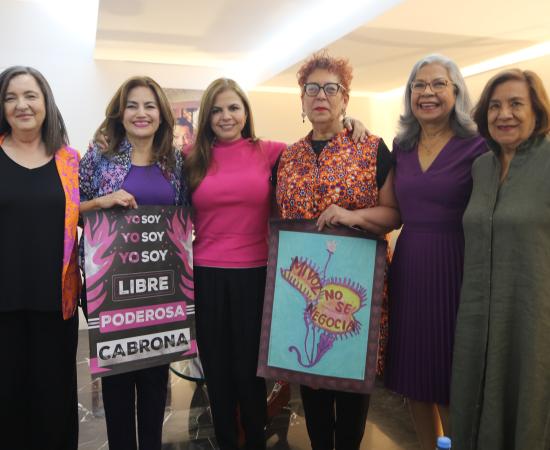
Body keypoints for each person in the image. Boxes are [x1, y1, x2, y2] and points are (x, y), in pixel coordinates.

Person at [185, 77, 368, 450]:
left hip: (257, 275)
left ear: (245, 112)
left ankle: (255, 441)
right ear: (206, 116)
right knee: (216, 373)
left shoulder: (272, 152)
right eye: (217, 110)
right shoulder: (191, 158)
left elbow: (318, 149)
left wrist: (349, 124)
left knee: (251, 374)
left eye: (233, 108)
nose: (225, 116)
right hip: (207, 275)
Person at [274, 52, 400, 450]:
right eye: (311, 88)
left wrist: (351, 216)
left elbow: (393, 214)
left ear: (345, 98)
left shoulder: (372, 149)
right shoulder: (287, 158)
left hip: (354, 293)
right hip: (303, 291)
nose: (320, 96)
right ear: (302, 99)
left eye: (331, 88)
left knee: (350, 400)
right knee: (312, 391)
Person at [383, 54, 486, 450]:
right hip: (410, 265)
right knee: (414, 376)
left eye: (438, 84)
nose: (427, 92)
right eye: (419, 85)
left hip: (456, 266)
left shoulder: (478, 145)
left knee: (450, 377)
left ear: (456, 92)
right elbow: (391, 204)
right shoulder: (402, 146)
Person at [79, 76, 187, 450]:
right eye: (132, 105)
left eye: (149, 106)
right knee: (117, 387)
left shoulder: (176, 162)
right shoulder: (98, 156)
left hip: (161, 289)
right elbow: (70, 209)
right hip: (111, 290)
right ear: (120, 112)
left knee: (156, 388)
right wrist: (101, 202)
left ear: (161, 114)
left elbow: (185, 217)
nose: (141, 113)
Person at [451, 69, 550, 450]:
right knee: (472, 403)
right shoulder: (481, 168)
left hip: (532, 320)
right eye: (495, 106)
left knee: (530, 406)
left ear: (537, 111)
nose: (504, 114)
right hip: (477, 319)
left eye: (516, 104)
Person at [0, 66, 80, 450]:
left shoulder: (69, 160)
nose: (22, 105)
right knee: (7, 402)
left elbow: (74, 212)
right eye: (11, 97)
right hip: (3, 305)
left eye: (30, 95)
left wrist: (104, 203)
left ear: (45, 102)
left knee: (54, 402)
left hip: (56, 304)